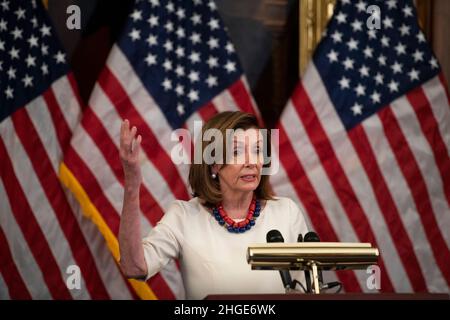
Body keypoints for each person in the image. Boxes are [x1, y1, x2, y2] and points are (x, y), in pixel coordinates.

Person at [118, 111, 308, 299]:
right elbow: (134, 267)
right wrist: (132, 186)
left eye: (257, 150)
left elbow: (307, 292)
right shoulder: (184, 217)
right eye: (237, 152)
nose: (251, 162)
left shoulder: (286, 212)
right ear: (213, 164)